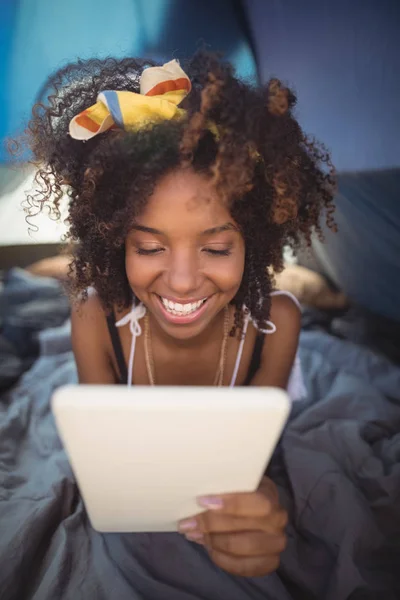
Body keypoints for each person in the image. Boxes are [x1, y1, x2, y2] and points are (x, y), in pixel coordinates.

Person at [23, 52, 335, 578]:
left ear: (254, 244)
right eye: (149, 248)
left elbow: (252, 461)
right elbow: (108, 460)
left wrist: (261, 505)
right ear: (115, 243)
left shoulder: (277, 323)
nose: (184, 281)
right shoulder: (94, 318)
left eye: (216, 250)